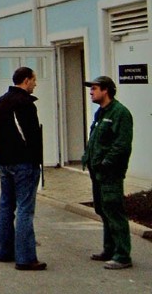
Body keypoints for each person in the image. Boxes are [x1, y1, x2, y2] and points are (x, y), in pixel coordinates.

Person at [0, 66, 46, 270]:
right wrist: (35, 159)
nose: (35, 83)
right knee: (24, 209)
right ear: (26, 80)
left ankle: (4, 251)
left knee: (6, 206)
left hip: (5, 162)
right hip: (24, 163)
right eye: (33, 79)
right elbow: (31, 135)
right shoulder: (25, 104)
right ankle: (25, 257)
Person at [82, 75, 133, 270]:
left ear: (106, 90)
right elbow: (95, 137)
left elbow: (122, 144)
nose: (91, 92)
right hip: (98, 171)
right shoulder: (101, 113)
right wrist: (87, 156)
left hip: (111, 172)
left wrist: (106, 162)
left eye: (94, 88)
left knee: (113, 209)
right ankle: (109, 249)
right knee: (103, 209)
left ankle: (122, 255)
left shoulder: (120, 113)